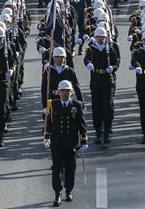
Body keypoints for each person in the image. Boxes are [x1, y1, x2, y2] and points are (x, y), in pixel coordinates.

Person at [44, 79, 88, 207]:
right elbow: (48, 123)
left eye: (67, 90)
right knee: (56, 168)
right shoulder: (53, 105)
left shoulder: (77, 105)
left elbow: (82, 124)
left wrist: (84, 140)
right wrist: (47, 137)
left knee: (70, 169)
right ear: (58, 92)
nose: (64, 93)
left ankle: (69, 191)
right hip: (57, 142)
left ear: (71, 92)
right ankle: (57, 194)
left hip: (71, 143)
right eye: (62, 90)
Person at [83, 26, 119, 145]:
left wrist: (112, 68)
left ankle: (107, 132)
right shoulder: (91, 49)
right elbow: (86, 59)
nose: (100, 39)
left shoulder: (110, 49)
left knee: (107, 106)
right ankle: (99, 132)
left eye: (102, 37)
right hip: (96, 80)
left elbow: (116, 62)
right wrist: (88, 64)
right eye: (98, 37)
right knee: (96, 107)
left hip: (107, 80)